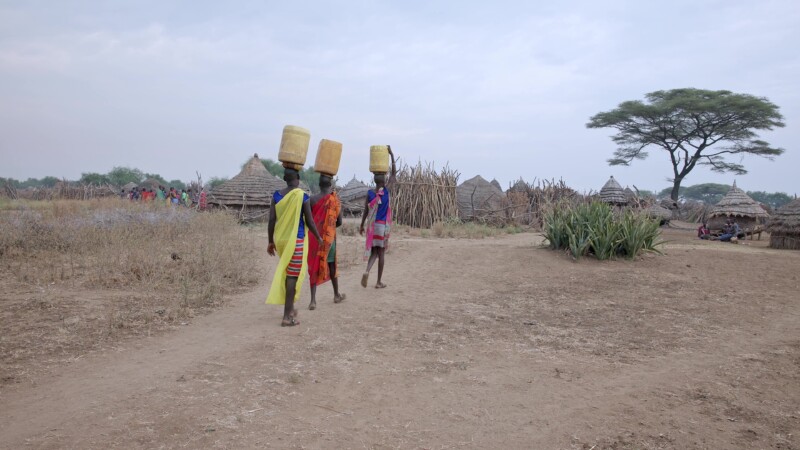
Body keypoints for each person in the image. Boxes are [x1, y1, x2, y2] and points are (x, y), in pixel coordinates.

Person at [266, 168, 322, 327]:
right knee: (292, 276)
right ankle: (286, 317)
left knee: (289, 273)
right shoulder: (302, 196)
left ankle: (290, 309)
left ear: (284, 178)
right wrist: (318, 237)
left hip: (281, 240)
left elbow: (271, 220)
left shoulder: (276, 196)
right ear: (297, 177)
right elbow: (309, 221)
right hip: (296, 240)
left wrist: (270, 242)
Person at [360, 145, 396, 289]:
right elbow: (394, 175)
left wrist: (361, 225)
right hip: (381, 226)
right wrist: (391, 155)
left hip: (372, 227)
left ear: (374, 180)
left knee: (374, 252)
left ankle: (367, 271)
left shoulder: (370, 193)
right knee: (381, 253)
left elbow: (365, 211)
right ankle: (379, 282)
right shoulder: (386, 192)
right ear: (384, 180)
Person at [307, 174, 345, 310]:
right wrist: (329, 227)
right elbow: (339, 222)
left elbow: (309, 220)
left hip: (314, 238)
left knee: (313, 267)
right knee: (332, 265)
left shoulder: (311, 200)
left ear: (319, 185)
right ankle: (336, 295)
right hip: (329, 240)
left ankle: (313, 301)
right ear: (330, 185)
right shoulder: (335, 200)